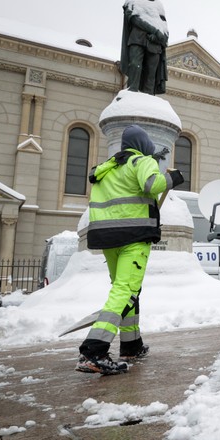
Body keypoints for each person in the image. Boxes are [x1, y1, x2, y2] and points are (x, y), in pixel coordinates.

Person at [76, 124, 183, 375]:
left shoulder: (107, 169)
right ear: (143, 145)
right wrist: (173, 178)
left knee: (127, 291)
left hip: (106, 237)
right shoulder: (141, 161)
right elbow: (152, 185)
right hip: (134, 236)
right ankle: (94, 350)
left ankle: (131, 344)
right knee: (125, 290)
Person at [120, 0, 169, 95]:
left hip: (154, 44)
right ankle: (131, 93)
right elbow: (133, 19)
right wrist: (155, 31)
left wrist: (158, 38)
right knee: (135, 65)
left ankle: (148, 97)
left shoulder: (159, 7)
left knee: (151, 73)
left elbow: (165, 30)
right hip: (137, 39)